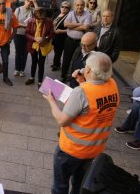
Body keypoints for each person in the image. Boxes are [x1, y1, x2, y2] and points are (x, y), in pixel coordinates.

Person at [43, 51, 120, 194]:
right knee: (79, 185)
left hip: (71, 150)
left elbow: (62, 120)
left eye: (86, 66)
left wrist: (51, 101)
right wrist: (83, 81)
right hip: (94, 150)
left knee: (60, 186)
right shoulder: (113, 85)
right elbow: (94, 105)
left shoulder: (81, 92)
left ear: (89, 70)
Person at [61, 0, 92, 82]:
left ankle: (74, 77)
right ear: (75, 6)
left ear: (84, 6)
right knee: (66, 59)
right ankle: (63, 76)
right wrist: (79, 24)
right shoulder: (71, 13)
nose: (80, 6)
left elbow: (85, 27)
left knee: (77, 60)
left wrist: (72, 26)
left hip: (80, 42)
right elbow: (66, 24)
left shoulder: (88, 15)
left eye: (82, 5)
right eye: (78, 5)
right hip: (69, 40)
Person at [25, 7, 54, 87]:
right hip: (33, 45)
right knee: (34, 62)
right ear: (35, 17)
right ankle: (32, 78)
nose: (41, 21)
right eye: (39, 19)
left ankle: (40, 81)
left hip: (43, 45)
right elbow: (26, 33)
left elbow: (51, 33)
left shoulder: (49, 21)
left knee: (41, 63)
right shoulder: (31, 21)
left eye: (42, 19)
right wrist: (34, 38)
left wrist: (44, 38)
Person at [13, 0, 37, 77]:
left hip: (28, 35)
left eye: (31, 2)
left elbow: (39, 14)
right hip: (18, 34)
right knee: (18, 52)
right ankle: (17, 69)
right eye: (28, 1)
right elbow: (15, 23)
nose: (29, 3)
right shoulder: (18, 9)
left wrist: (35, 2)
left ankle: (22, 70)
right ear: (25, 1)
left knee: (25, 53)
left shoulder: (33, 10)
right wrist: (25, 26)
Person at [51, 1, 70, 71]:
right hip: (55, 36)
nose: (64, 8)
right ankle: (57, 63)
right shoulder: (56, 14)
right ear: (60, 7)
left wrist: (61, 31)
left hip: (63, 37)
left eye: (66, 7)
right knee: (56, 50)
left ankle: (55, 64)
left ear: (69, 9)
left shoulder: (69, 17)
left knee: (59, 51)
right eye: (63, 7)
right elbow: (51, 23)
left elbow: (70, 29)